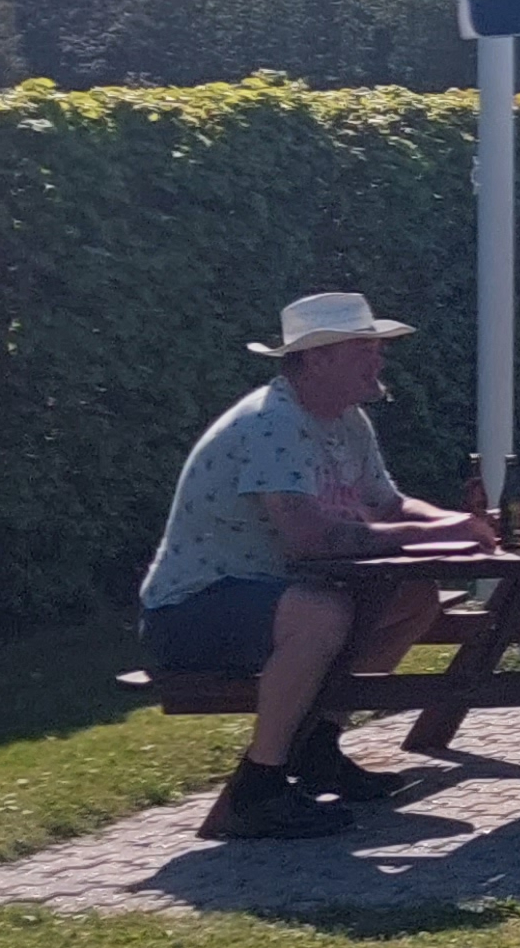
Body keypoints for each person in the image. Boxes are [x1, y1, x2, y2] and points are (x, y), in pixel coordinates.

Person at [137, 290, 500, 836]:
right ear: (317, 359)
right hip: (189, 612)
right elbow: (310, 539)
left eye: (378, 348)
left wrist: (460, 525)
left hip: (267, 595)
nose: (378, 360)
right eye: (364, 349)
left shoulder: (346, 419)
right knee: (321, 613)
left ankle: (317, 749)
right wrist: (440, 534)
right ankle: (257, 791)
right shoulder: (272, 423)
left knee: (411, 597)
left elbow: (390, 504)